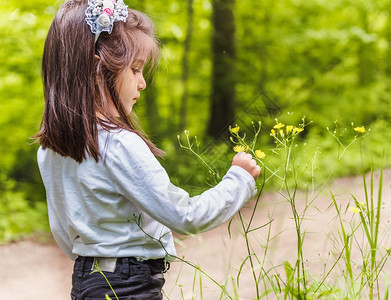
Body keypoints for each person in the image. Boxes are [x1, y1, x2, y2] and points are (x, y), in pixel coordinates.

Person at [34, 0, 261, 299]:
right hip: (129, 286)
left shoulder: (52, 148)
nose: (142, 83)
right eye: (136, 69)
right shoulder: (119, 144)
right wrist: (238, 180)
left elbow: (65, 234)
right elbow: (184, 216)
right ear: (97, 69)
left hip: (87, 280)